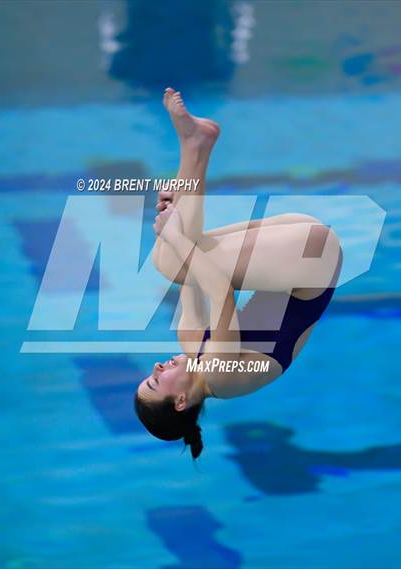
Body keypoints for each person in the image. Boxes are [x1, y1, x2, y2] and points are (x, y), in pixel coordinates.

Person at [134, 88, 342, 459]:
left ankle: (196, 145)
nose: (156, 366)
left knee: (174, 255)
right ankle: (194, 145)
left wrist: (174, 219)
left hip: (298, 247)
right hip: (312, 260)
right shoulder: (221, 375)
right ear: (180, 401)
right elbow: (219, 288)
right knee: (171, 258)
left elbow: (194, 261)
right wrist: (174, 234)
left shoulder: (190, 341)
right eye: (155, 381)